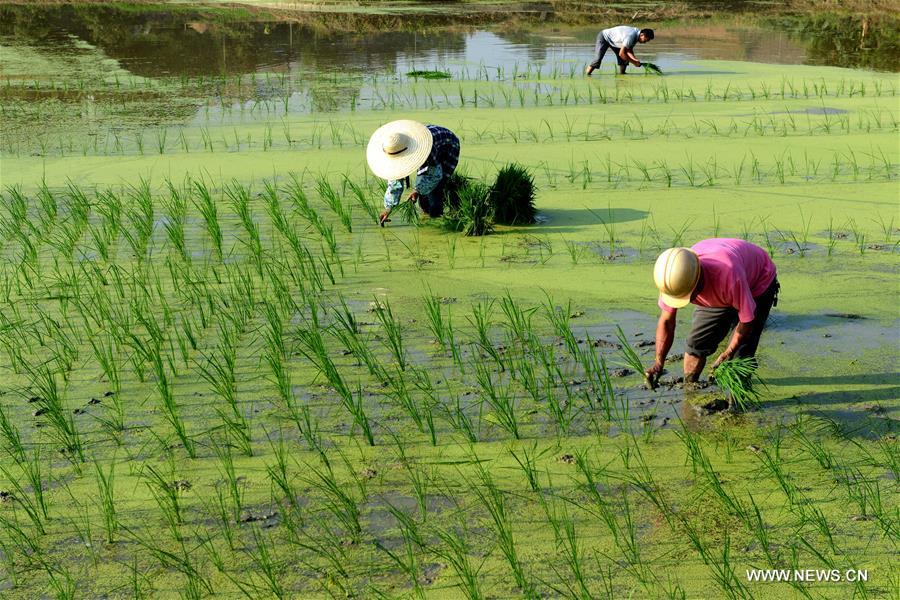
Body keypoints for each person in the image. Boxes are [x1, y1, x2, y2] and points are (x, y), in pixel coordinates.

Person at [645, 239, 779, 388]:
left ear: (697, 281)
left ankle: (736, 404)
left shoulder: (729, 276)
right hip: (721, 287)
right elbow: (666, 322)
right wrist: (659, 362)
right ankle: (690, 389)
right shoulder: (673, 277)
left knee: (738, 356)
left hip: (758, 283)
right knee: (696, 344)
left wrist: (729, 351)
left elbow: (747, 322)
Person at [366, 120, 460, 225]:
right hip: (427, 147)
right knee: (424, 197)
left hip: (447, 146)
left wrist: (417, 190)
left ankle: (437, 218)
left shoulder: (425, 148)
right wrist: (388, 208)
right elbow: (395, 184)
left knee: (435, 189)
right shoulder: (395, 147)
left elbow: (434, 174)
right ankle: (427, 213)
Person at [585, 26, 654, 76]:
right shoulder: (631, 36)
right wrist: (634, 62)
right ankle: (587, 75)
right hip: (604, 37)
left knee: (624, 60)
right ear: (642, 35)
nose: (646, 42)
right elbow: (622, 53)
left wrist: (635, 60)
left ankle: (622, 75)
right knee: (597, 59)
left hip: (616, 41)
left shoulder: (637, 35)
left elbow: (629, 50)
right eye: (646, 40)